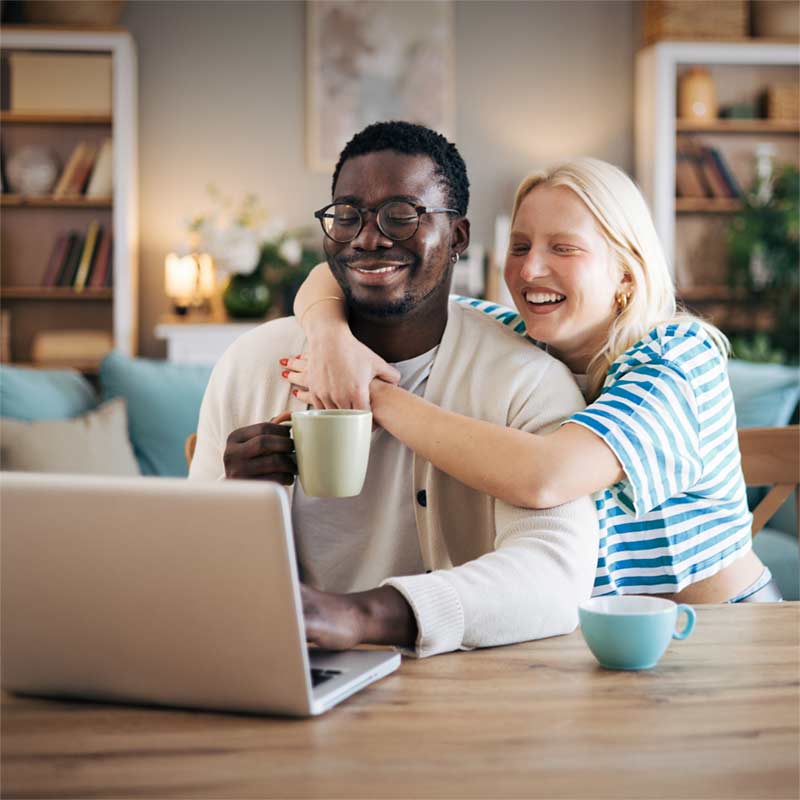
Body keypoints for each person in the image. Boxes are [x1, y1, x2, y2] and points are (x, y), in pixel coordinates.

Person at [189, 121, 600, 658]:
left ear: (458, 236)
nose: (368, 237)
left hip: (460, 686)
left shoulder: (524, 380)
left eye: (402, 216)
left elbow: (555, 575)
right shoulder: (252, 363)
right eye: (347, 215)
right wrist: (235, 502)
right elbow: (194, 572)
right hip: (284, 666)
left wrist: (358, 615)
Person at [287, 156, 780, 604]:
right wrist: (331, 339)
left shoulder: (677, 359)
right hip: (595, 633)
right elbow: (333, 276)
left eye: (563, 248)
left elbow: (547, 478)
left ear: (627, 273)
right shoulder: (517, 338)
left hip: (717, 630)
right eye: (519, 247)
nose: (530, 269)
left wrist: (368, 393)